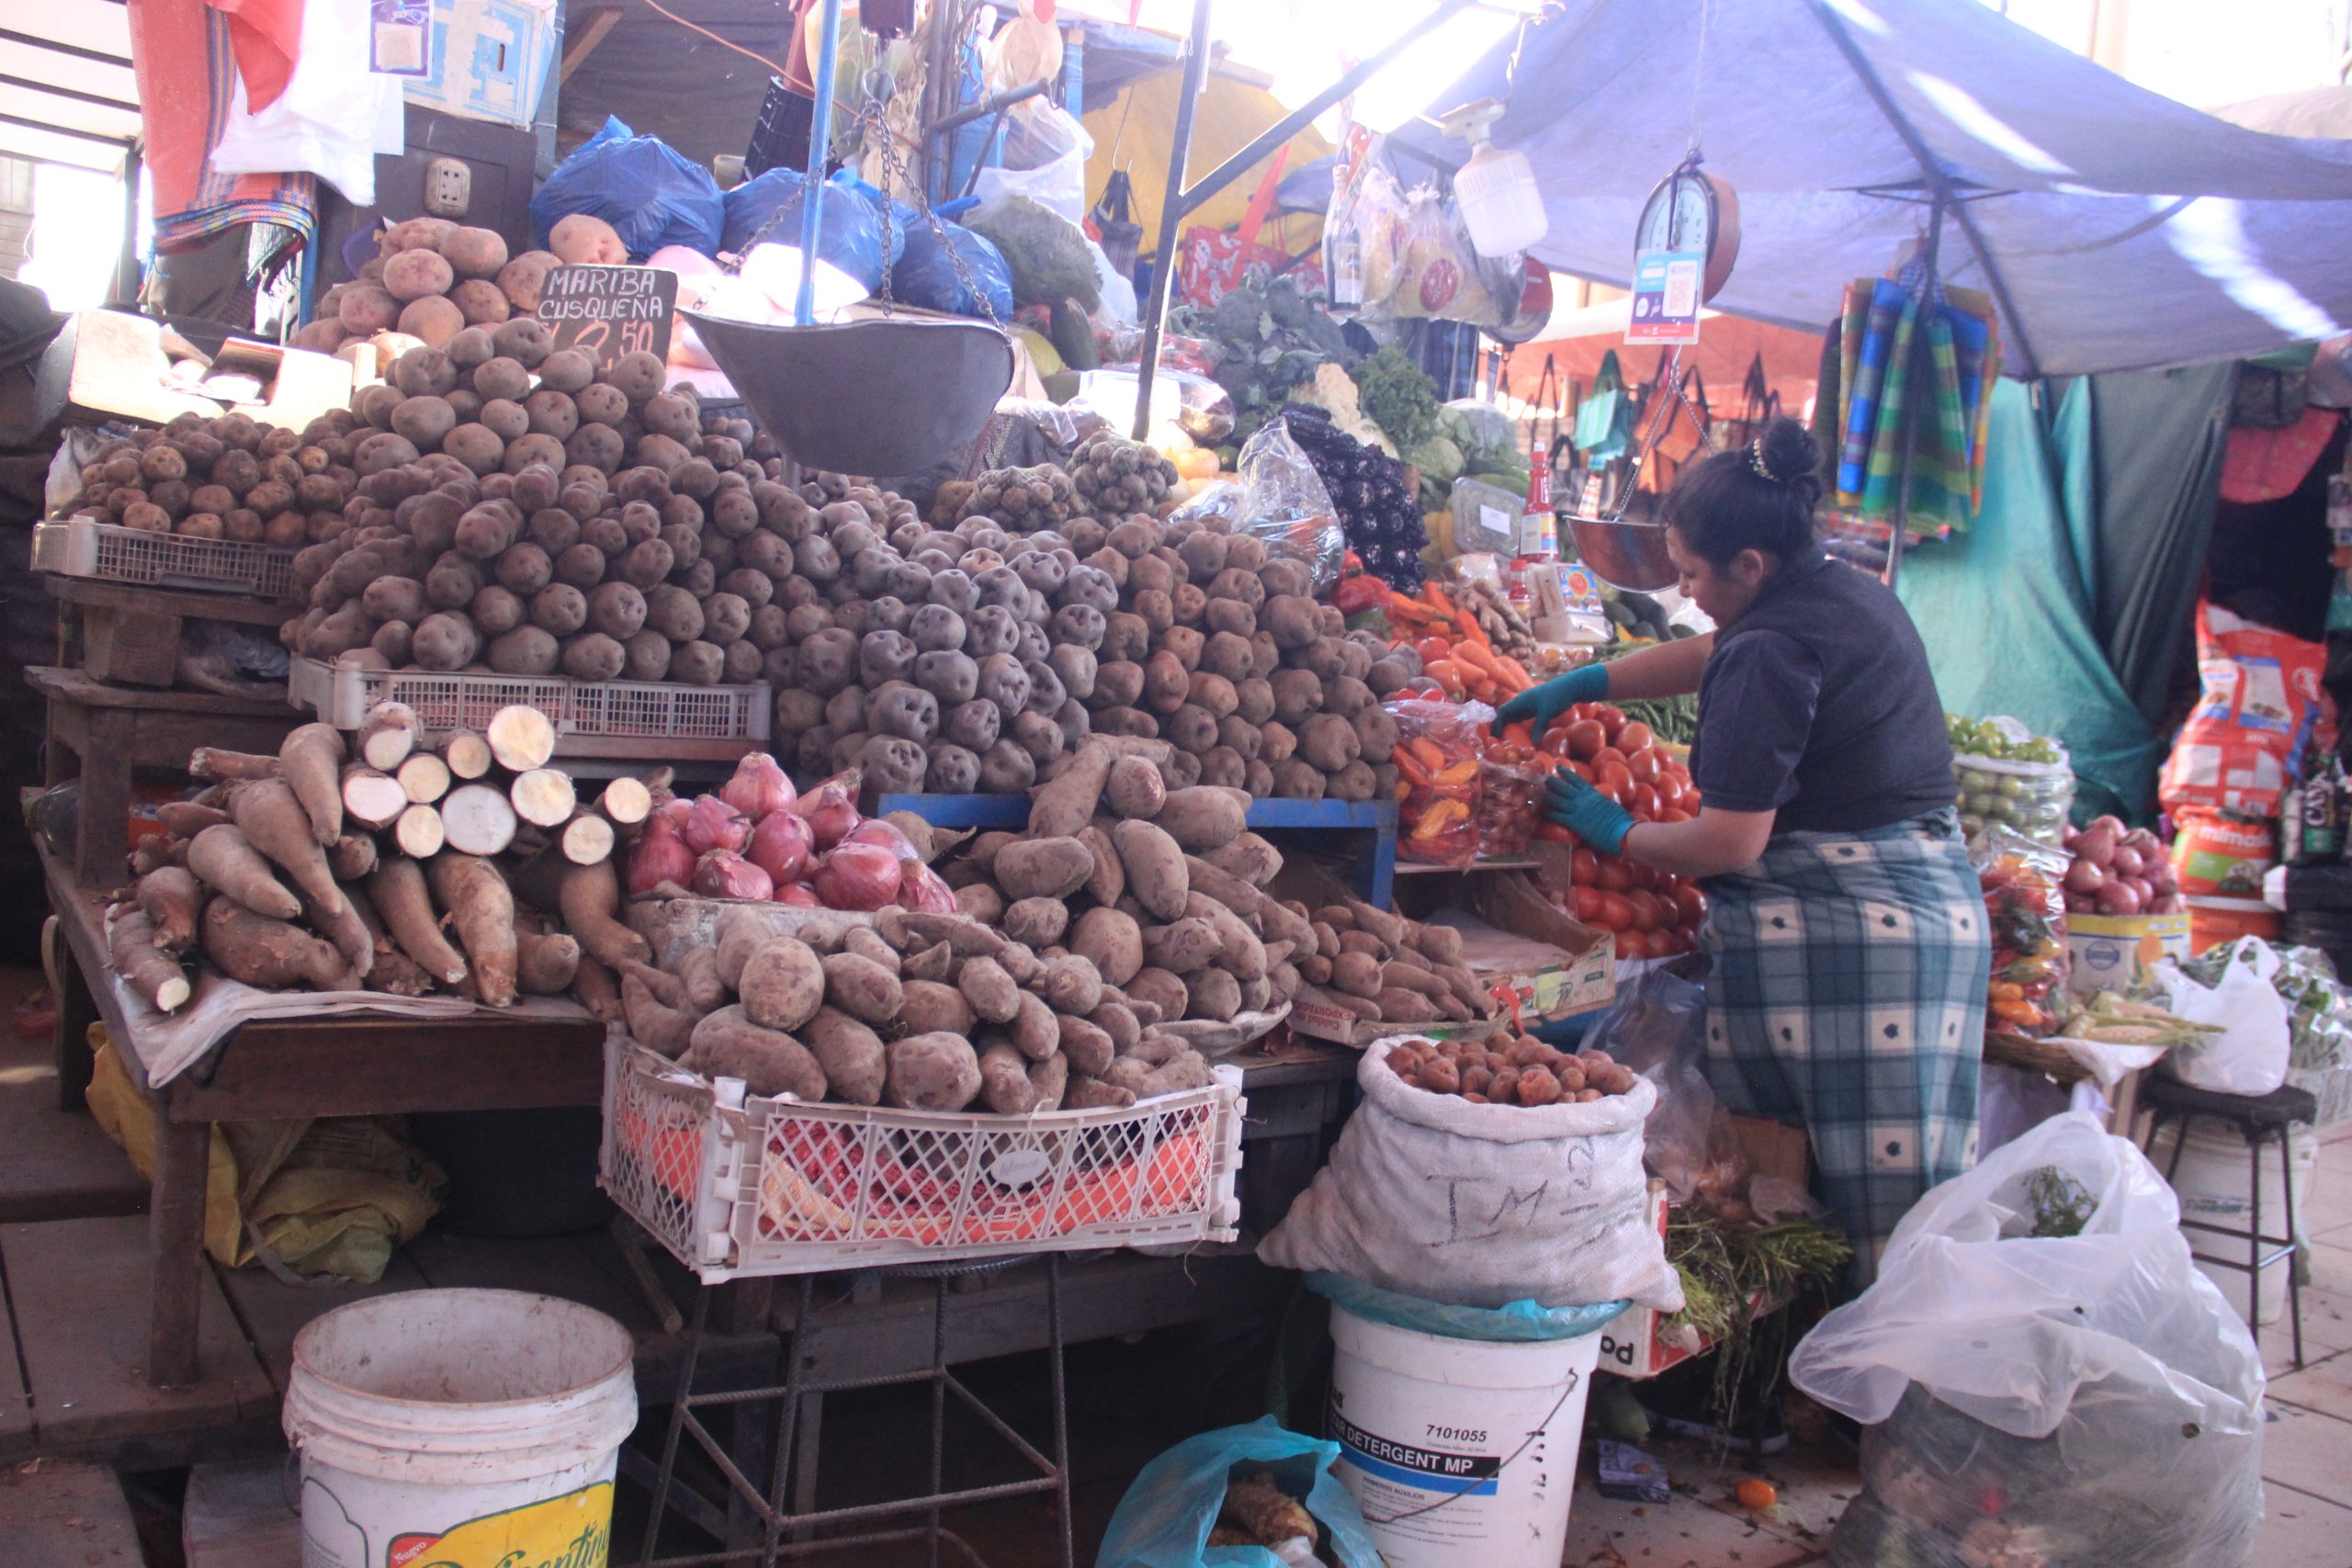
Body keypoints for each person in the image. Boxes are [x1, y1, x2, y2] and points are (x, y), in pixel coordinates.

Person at [1498, 417, 1988, 1284]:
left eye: (1690, 574)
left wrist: (1619, 831)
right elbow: (1714, 649)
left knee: (1872, 1212)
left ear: (1750, 567)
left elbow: (1728, 841)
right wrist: (1595, 678)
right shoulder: (1835, 589)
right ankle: (1831, 1395)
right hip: (1926, 912)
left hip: (1863, 940)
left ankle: (1876, 1402)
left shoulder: (1774, 644)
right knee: (1865, 1198)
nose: (1684, 589)